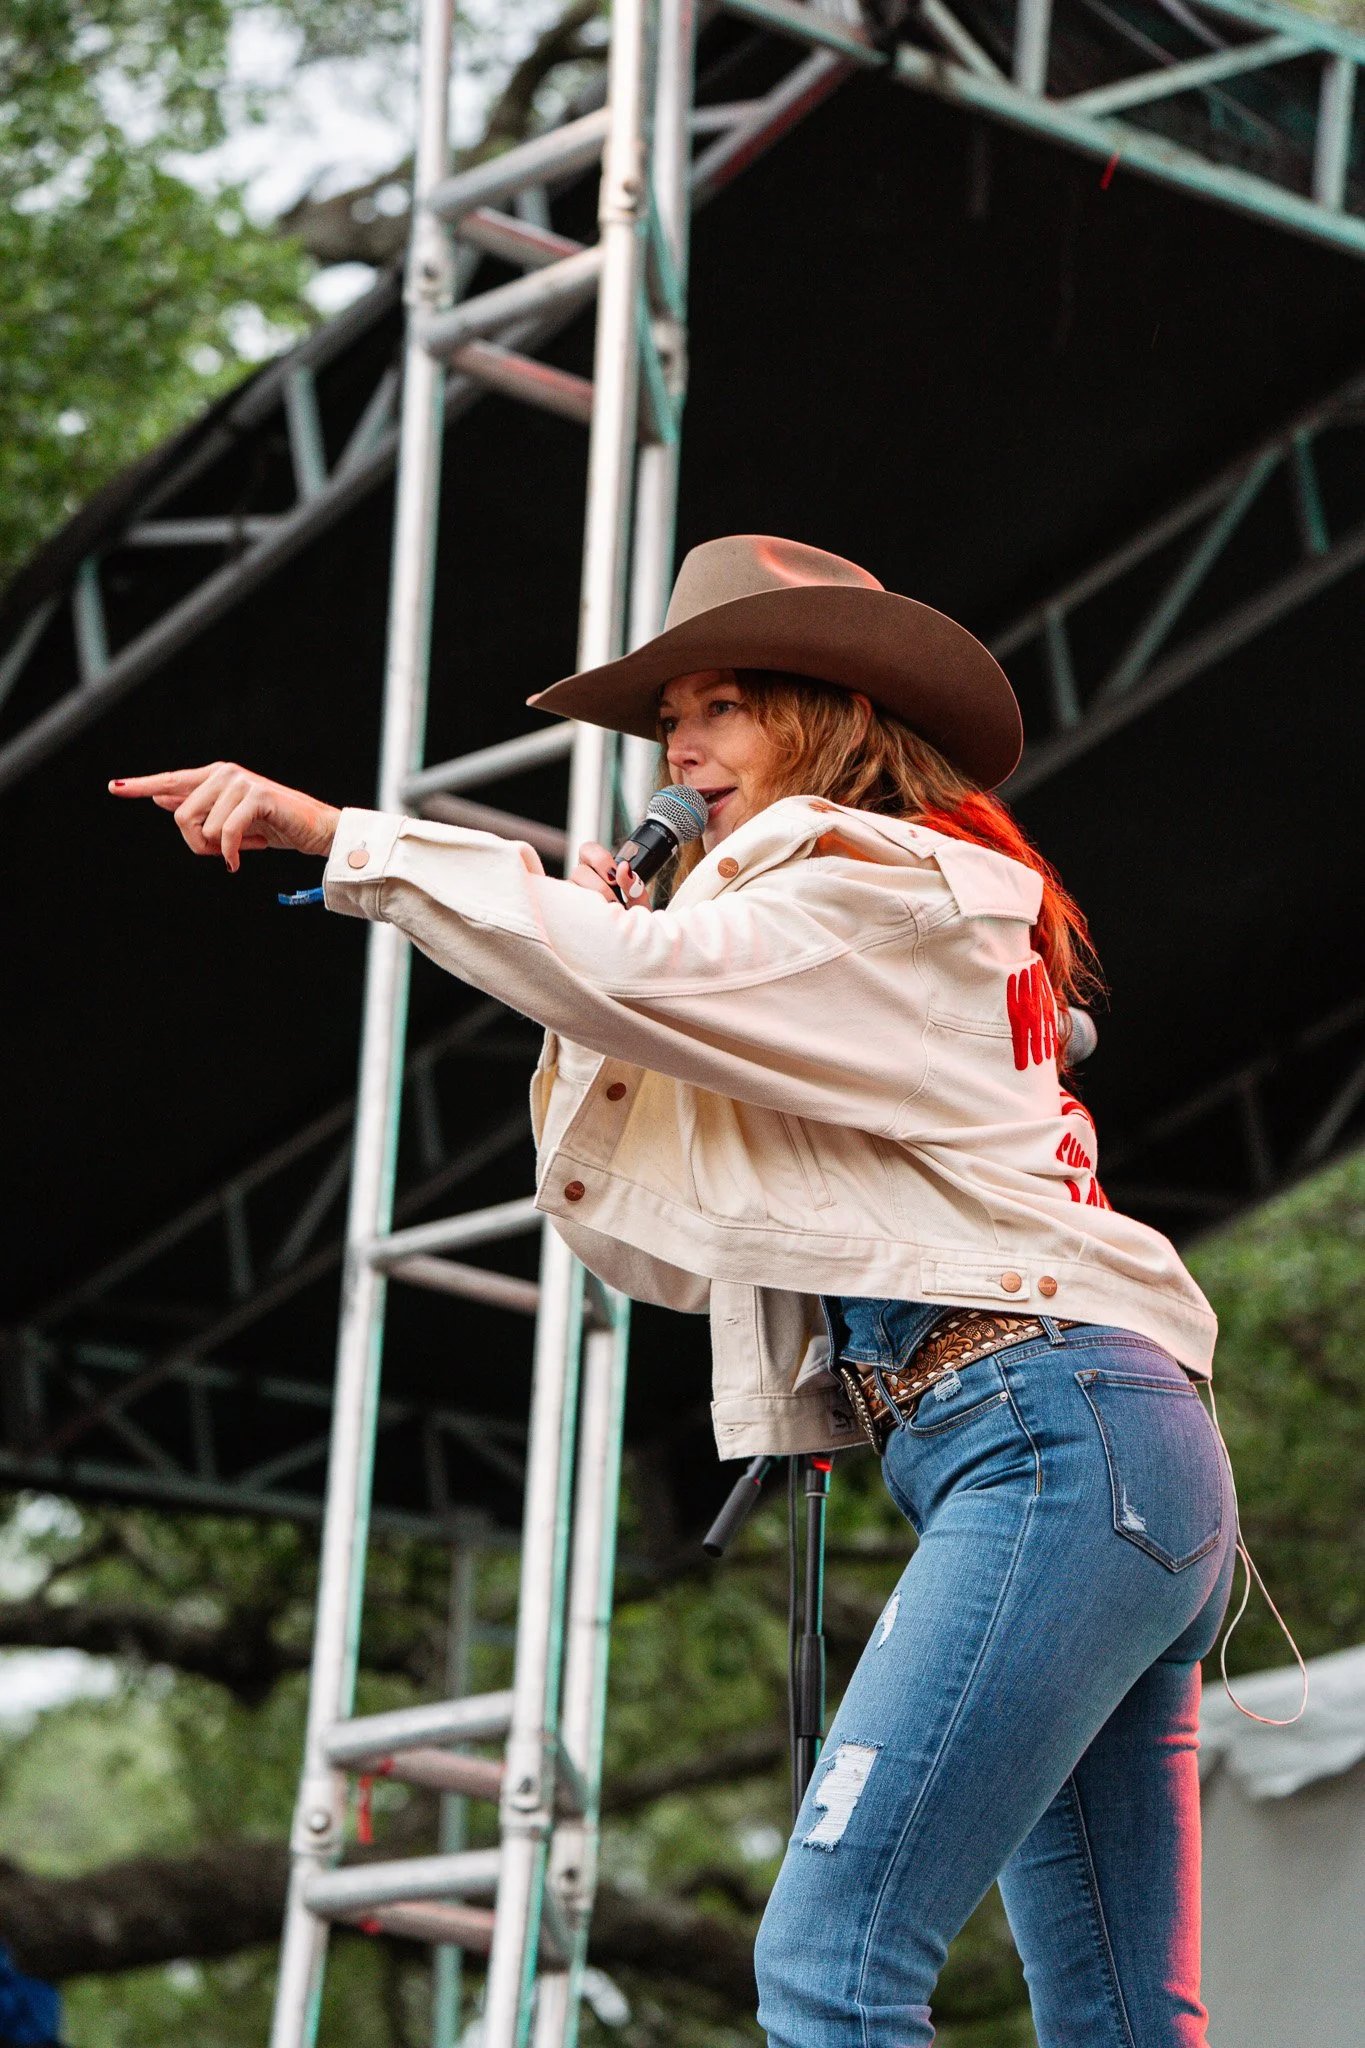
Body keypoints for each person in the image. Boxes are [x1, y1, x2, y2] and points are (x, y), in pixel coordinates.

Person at [111, 535, 1236, 2046]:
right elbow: (660, 1228)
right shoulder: (867, 911)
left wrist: (341, 834)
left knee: (831, 1967)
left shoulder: (866, 880)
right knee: (1110, 2017)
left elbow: (637, 996)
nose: (679, 750)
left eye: (720, 708)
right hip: (1093, 1449)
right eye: (667, 722)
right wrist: (624, 965)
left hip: (1047, 1436)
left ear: (827, 714)